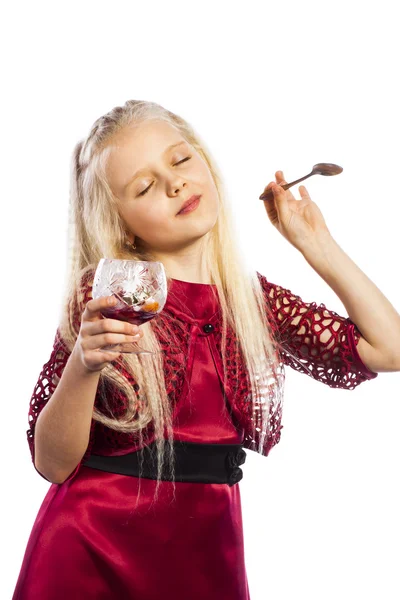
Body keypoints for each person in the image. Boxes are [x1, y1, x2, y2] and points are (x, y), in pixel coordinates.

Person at [13, 99, 385, 600]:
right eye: (144, 187)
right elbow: (54, 464)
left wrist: (315, 243)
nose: (174, 184)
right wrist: (82, 364)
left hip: (207, 551)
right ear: (121, 224)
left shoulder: (250, 303)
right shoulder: (110, 298)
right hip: (92, 547)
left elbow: (390, 348)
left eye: (181, 160)